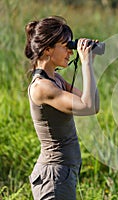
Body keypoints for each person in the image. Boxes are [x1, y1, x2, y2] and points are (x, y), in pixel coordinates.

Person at [24, 16, 99, 199]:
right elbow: (87, 106)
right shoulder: (42, 87)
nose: (70, 52)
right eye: (65, 46)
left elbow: (93, 104)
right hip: (53, 178)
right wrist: (86, 63)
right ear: (48, 49)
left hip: (61, 175)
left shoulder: (55, 80)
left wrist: (90, 62)